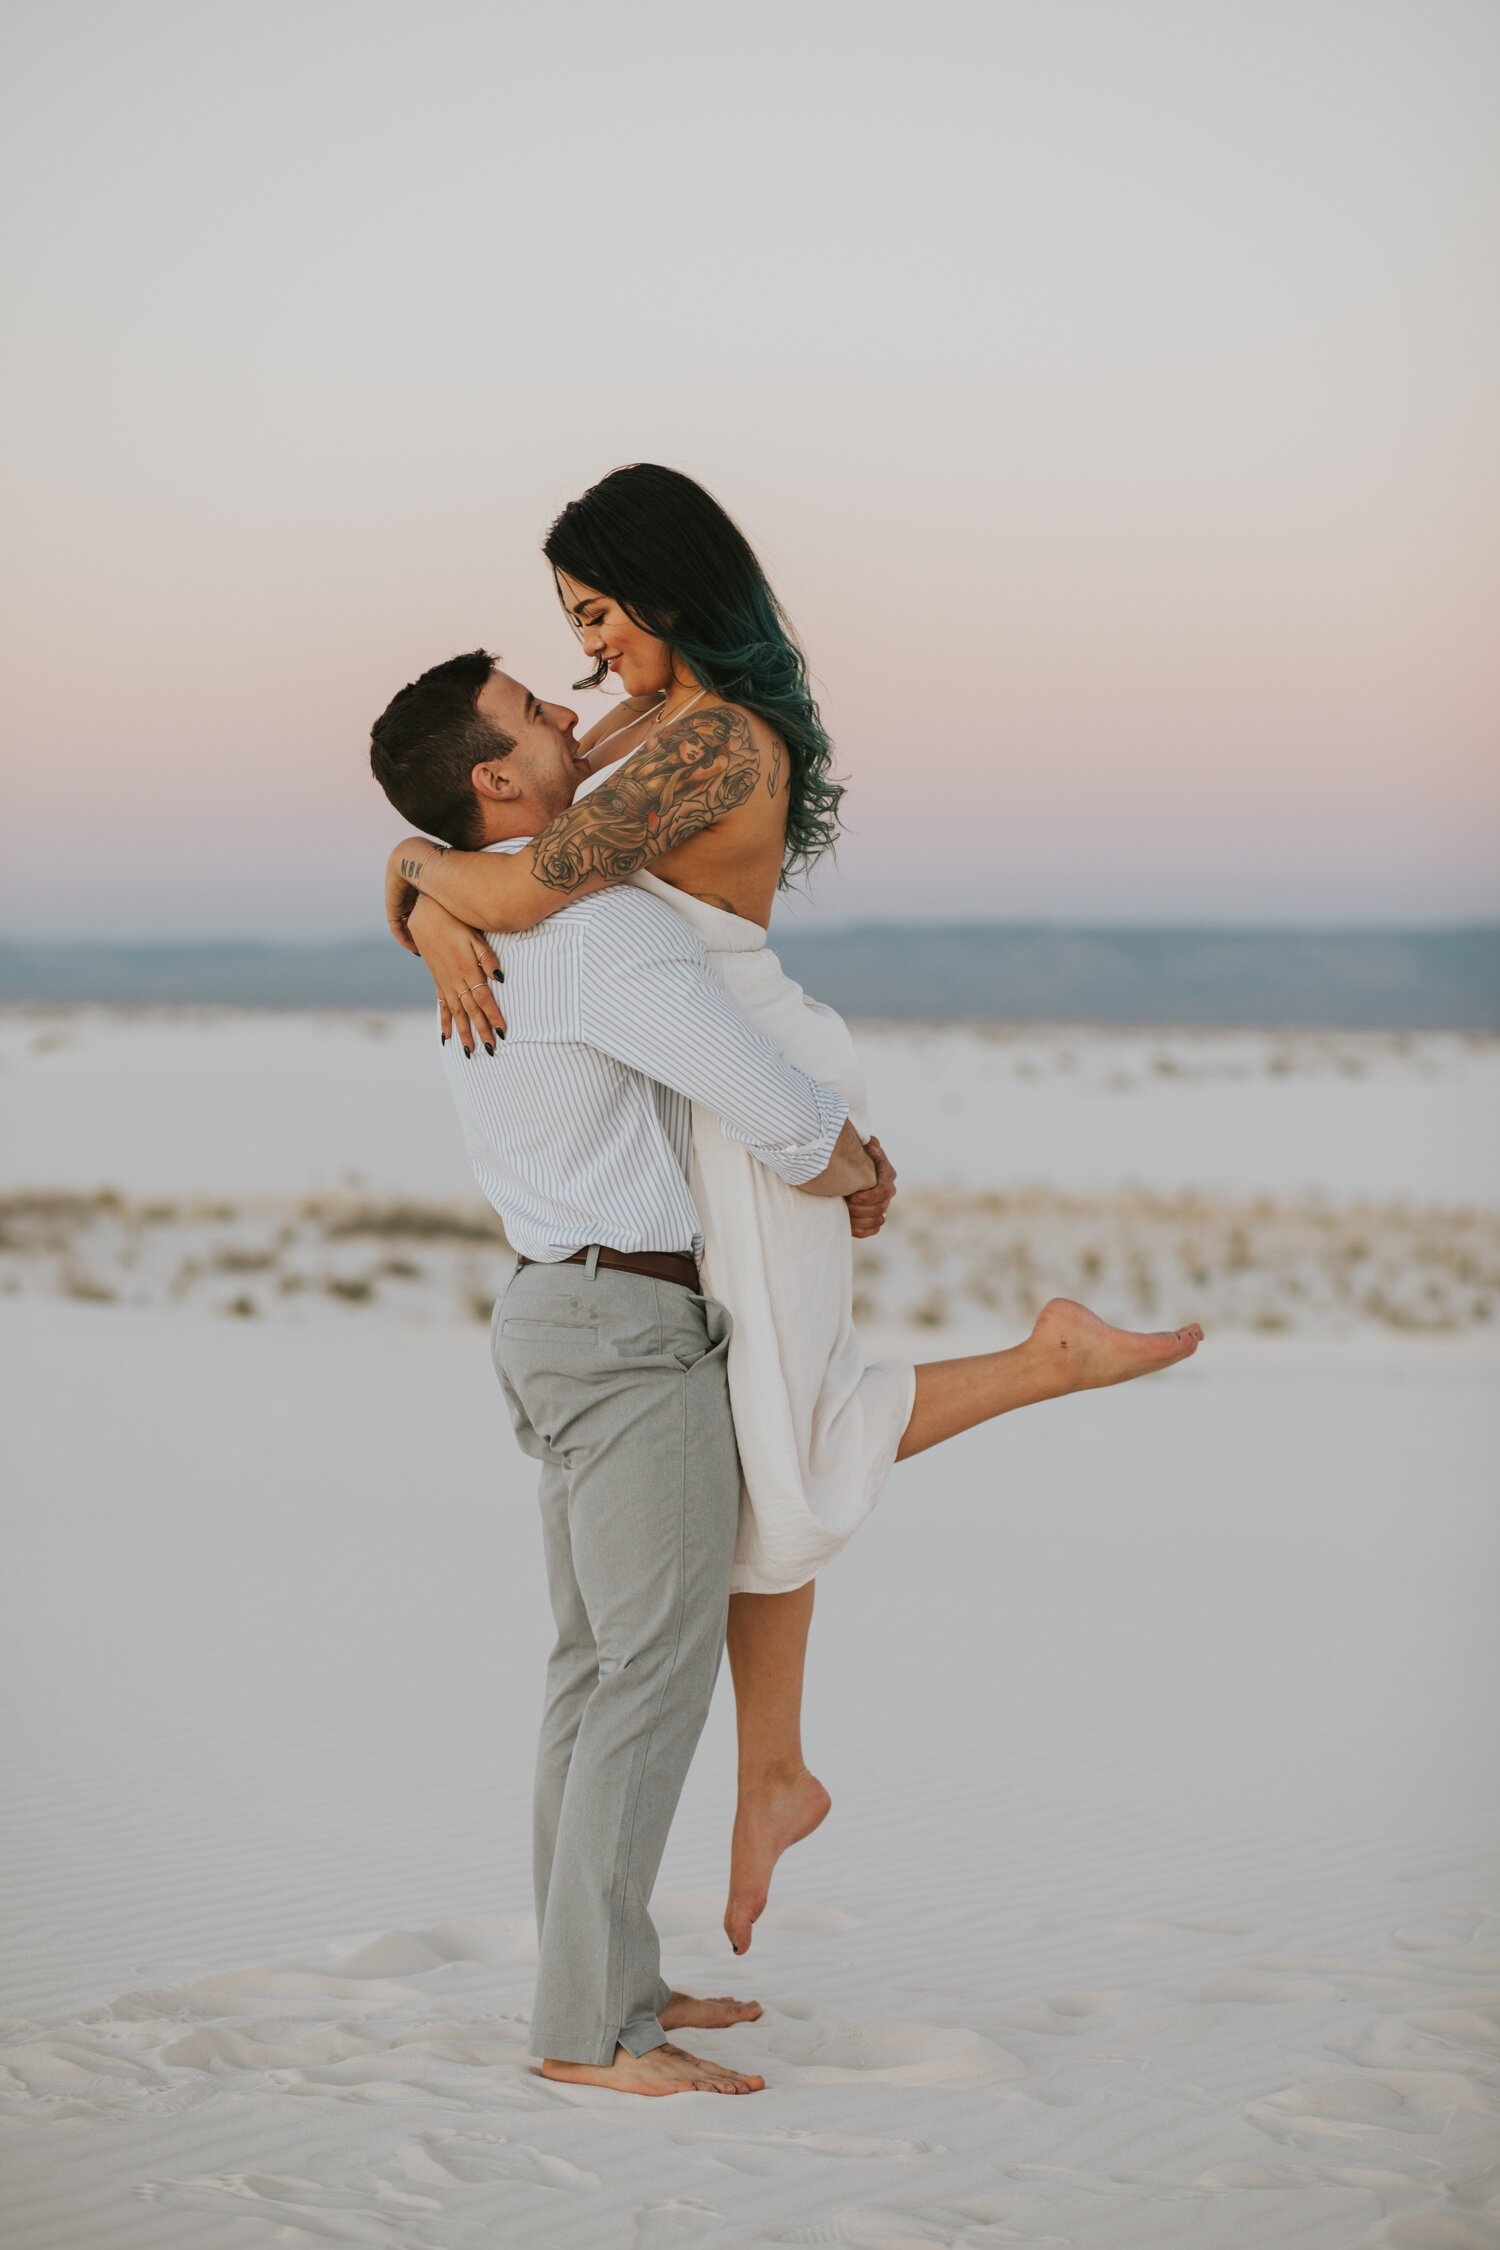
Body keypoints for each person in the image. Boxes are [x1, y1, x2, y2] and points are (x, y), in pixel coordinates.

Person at [376, 469, 1203, 1960]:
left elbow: (519, 884)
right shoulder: (639, 724)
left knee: (793, 1452)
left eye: (597, 615)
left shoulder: (707, 739)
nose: (581, 664)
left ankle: (1044, 1362)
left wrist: (419, 882)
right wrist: (428, 871)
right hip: (703, 1088)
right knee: (765, 1440)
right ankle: (773, 1770)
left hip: (756, 1087)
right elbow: (495, 827)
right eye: (569, 628)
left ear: (667, 589)